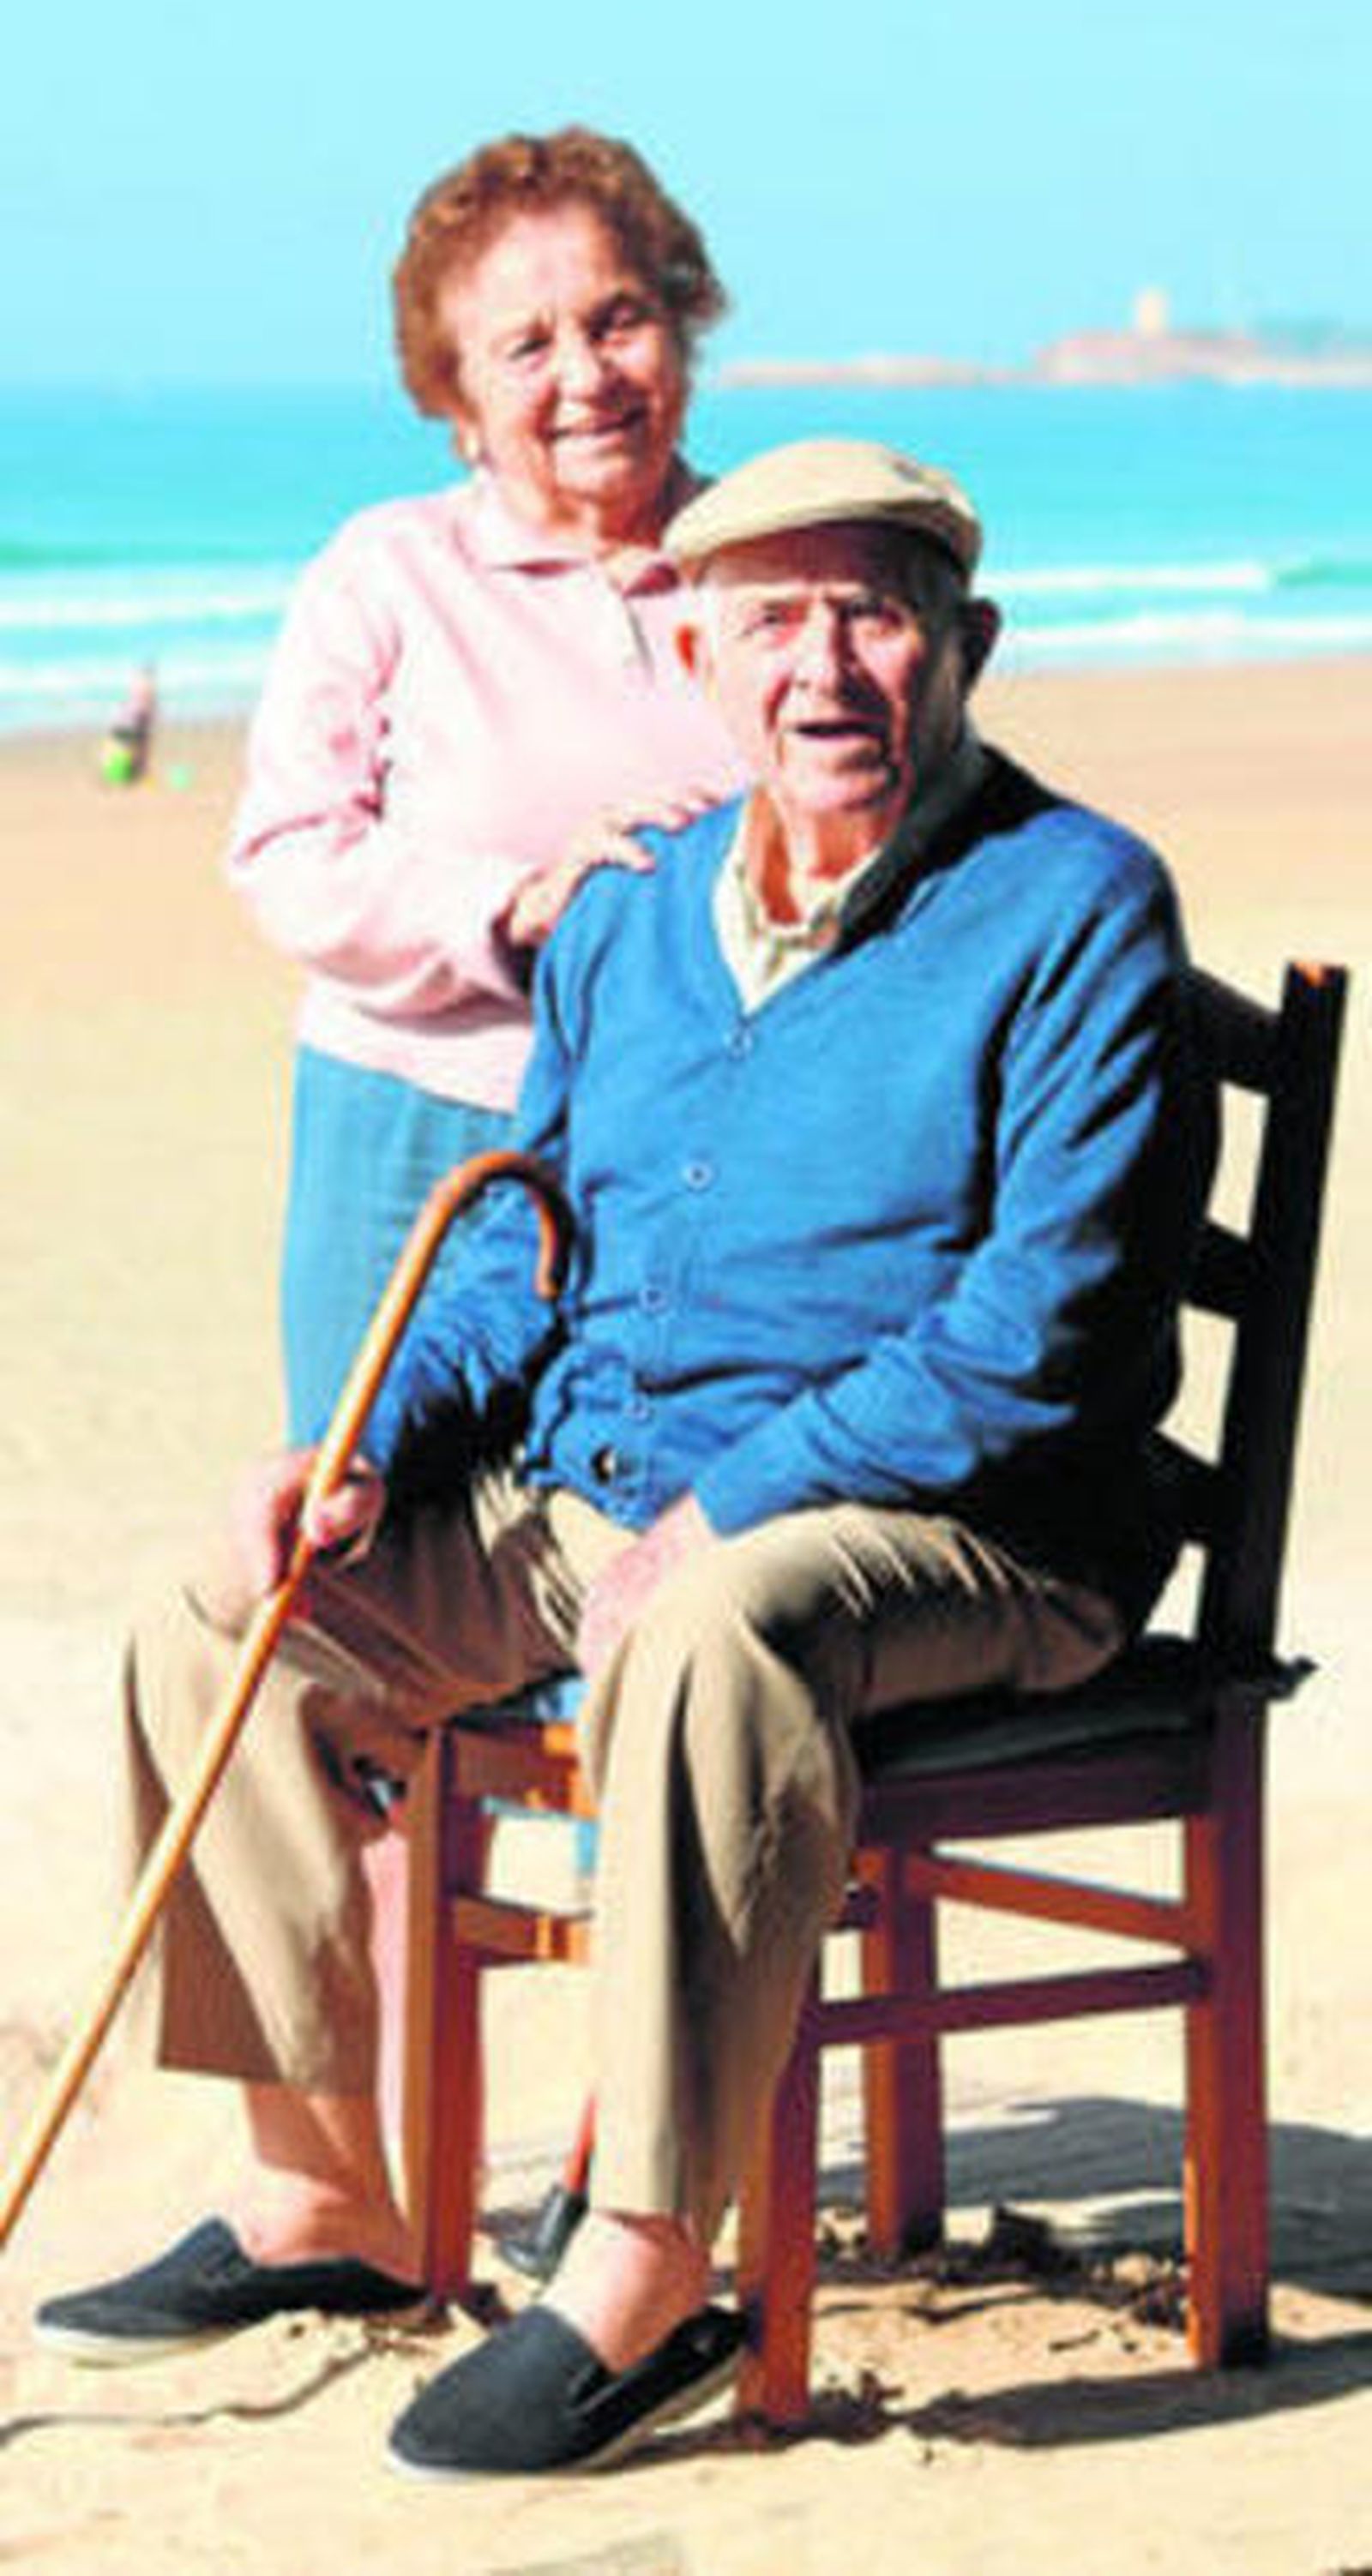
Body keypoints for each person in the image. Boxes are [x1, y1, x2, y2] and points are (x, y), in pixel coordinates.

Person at [37, 439, 1215, 2476]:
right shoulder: (634, 911)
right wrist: (367, 1439)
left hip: (968, 1529)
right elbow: (528, 1247)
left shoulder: (1077, 902)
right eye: (768, 621)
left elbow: (1038, 1335)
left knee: (712, 1623)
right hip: (614, 1490)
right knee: (233, 1604)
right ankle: (325, 2195)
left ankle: (648, 2266)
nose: (818, 664)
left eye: (871, 614)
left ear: (965, 643)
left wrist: (726, 1504)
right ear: (692, 656)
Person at [226, 126, 746, 1448]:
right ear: (454, 398)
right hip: (418, 1133)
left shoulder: (767, 570)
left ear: (682, 324)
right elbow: (286, 852)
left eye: (618, 320)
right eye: (527, 346)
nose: (587, 376)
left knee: (621, 1517)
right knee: (365, 1515)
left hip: (691, 1143)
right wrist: (512, 906)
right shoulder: (388, 570)